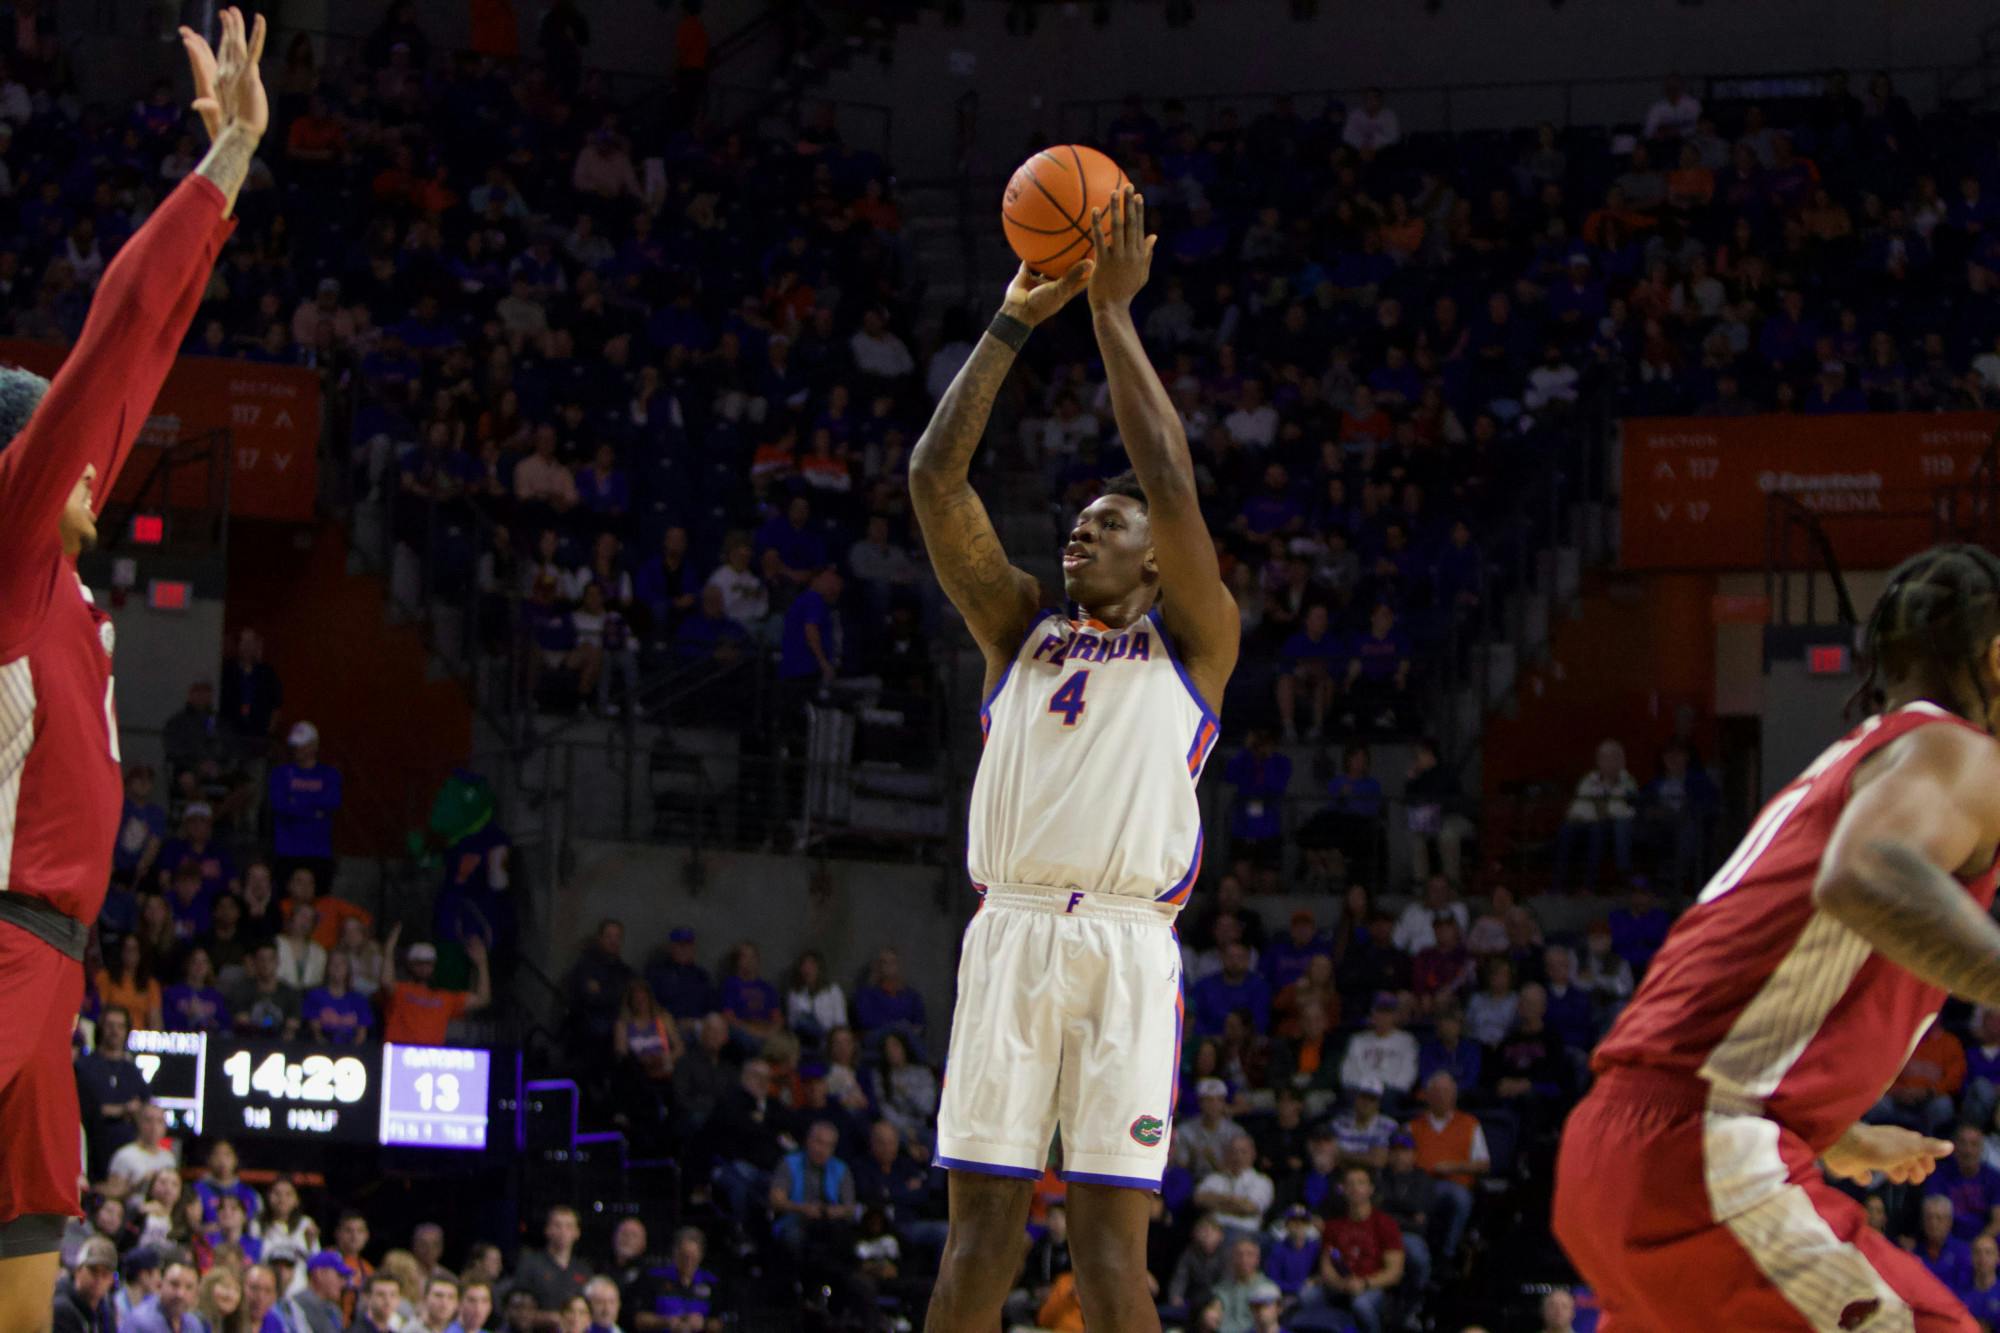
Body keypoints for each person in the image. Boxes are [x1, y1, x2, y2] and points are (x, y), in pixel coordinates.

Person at [914, 188, 1240, 1333]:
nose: (1081, 529)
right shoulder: (1018, 629)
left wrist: (1110, 314)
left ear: (1156, 561)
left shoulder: (1194, 644)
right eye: (1078, 519)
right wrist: (1011, 322)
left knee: (1110, 1263)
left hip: (1124, 942)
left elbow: (1170, 483)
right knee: (976, 1246)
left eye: (1109, 523)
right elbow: (933, 482)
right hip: (1007, 929)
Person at [1555, 544, 2000, 1331]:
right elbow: (1866, 872)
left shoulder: (1846, 771)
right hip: (1701, 1158)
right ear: (1997, 658)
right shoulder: (1957, 753)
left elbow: (1739, 987)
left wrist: (1837, 1132)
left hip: (1617, 1150)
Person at [0, 15, 263, 1326]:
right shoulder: (7, 557)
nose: (100, 468)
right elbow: (114, 347)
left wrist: (231, 177)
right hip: (4, 938)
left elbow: (136, 368)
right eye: (75, 456)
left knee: (26, 1229)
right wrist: (212, 179)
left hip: (47, 960)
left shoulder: (58, 589)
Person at [1313, 1166, 1406, 1333]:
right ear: (1342, 1189)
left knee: (1361, 1304)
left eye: (1361, 1183)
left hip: (1373, 1287)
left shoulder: (1385, 1224)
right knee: (1308, 1296)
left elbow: (1394, 1272)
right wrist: (1341, 1284)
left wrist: (1364, 1283)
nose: (1355, 1188)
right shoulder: (1333, 1226)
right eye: (1350, 1184)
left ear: (1370, 1189)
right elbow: (1326, 1266)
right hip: (1340, 1285)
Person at [50, 1237, 117, 1333]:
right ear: (78, 1270)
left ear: (111, 1280)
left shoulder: (106, 1313)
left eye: (105, 1274)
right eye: (93, 1271)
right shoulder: (61, 1308)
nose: (99, 1279)